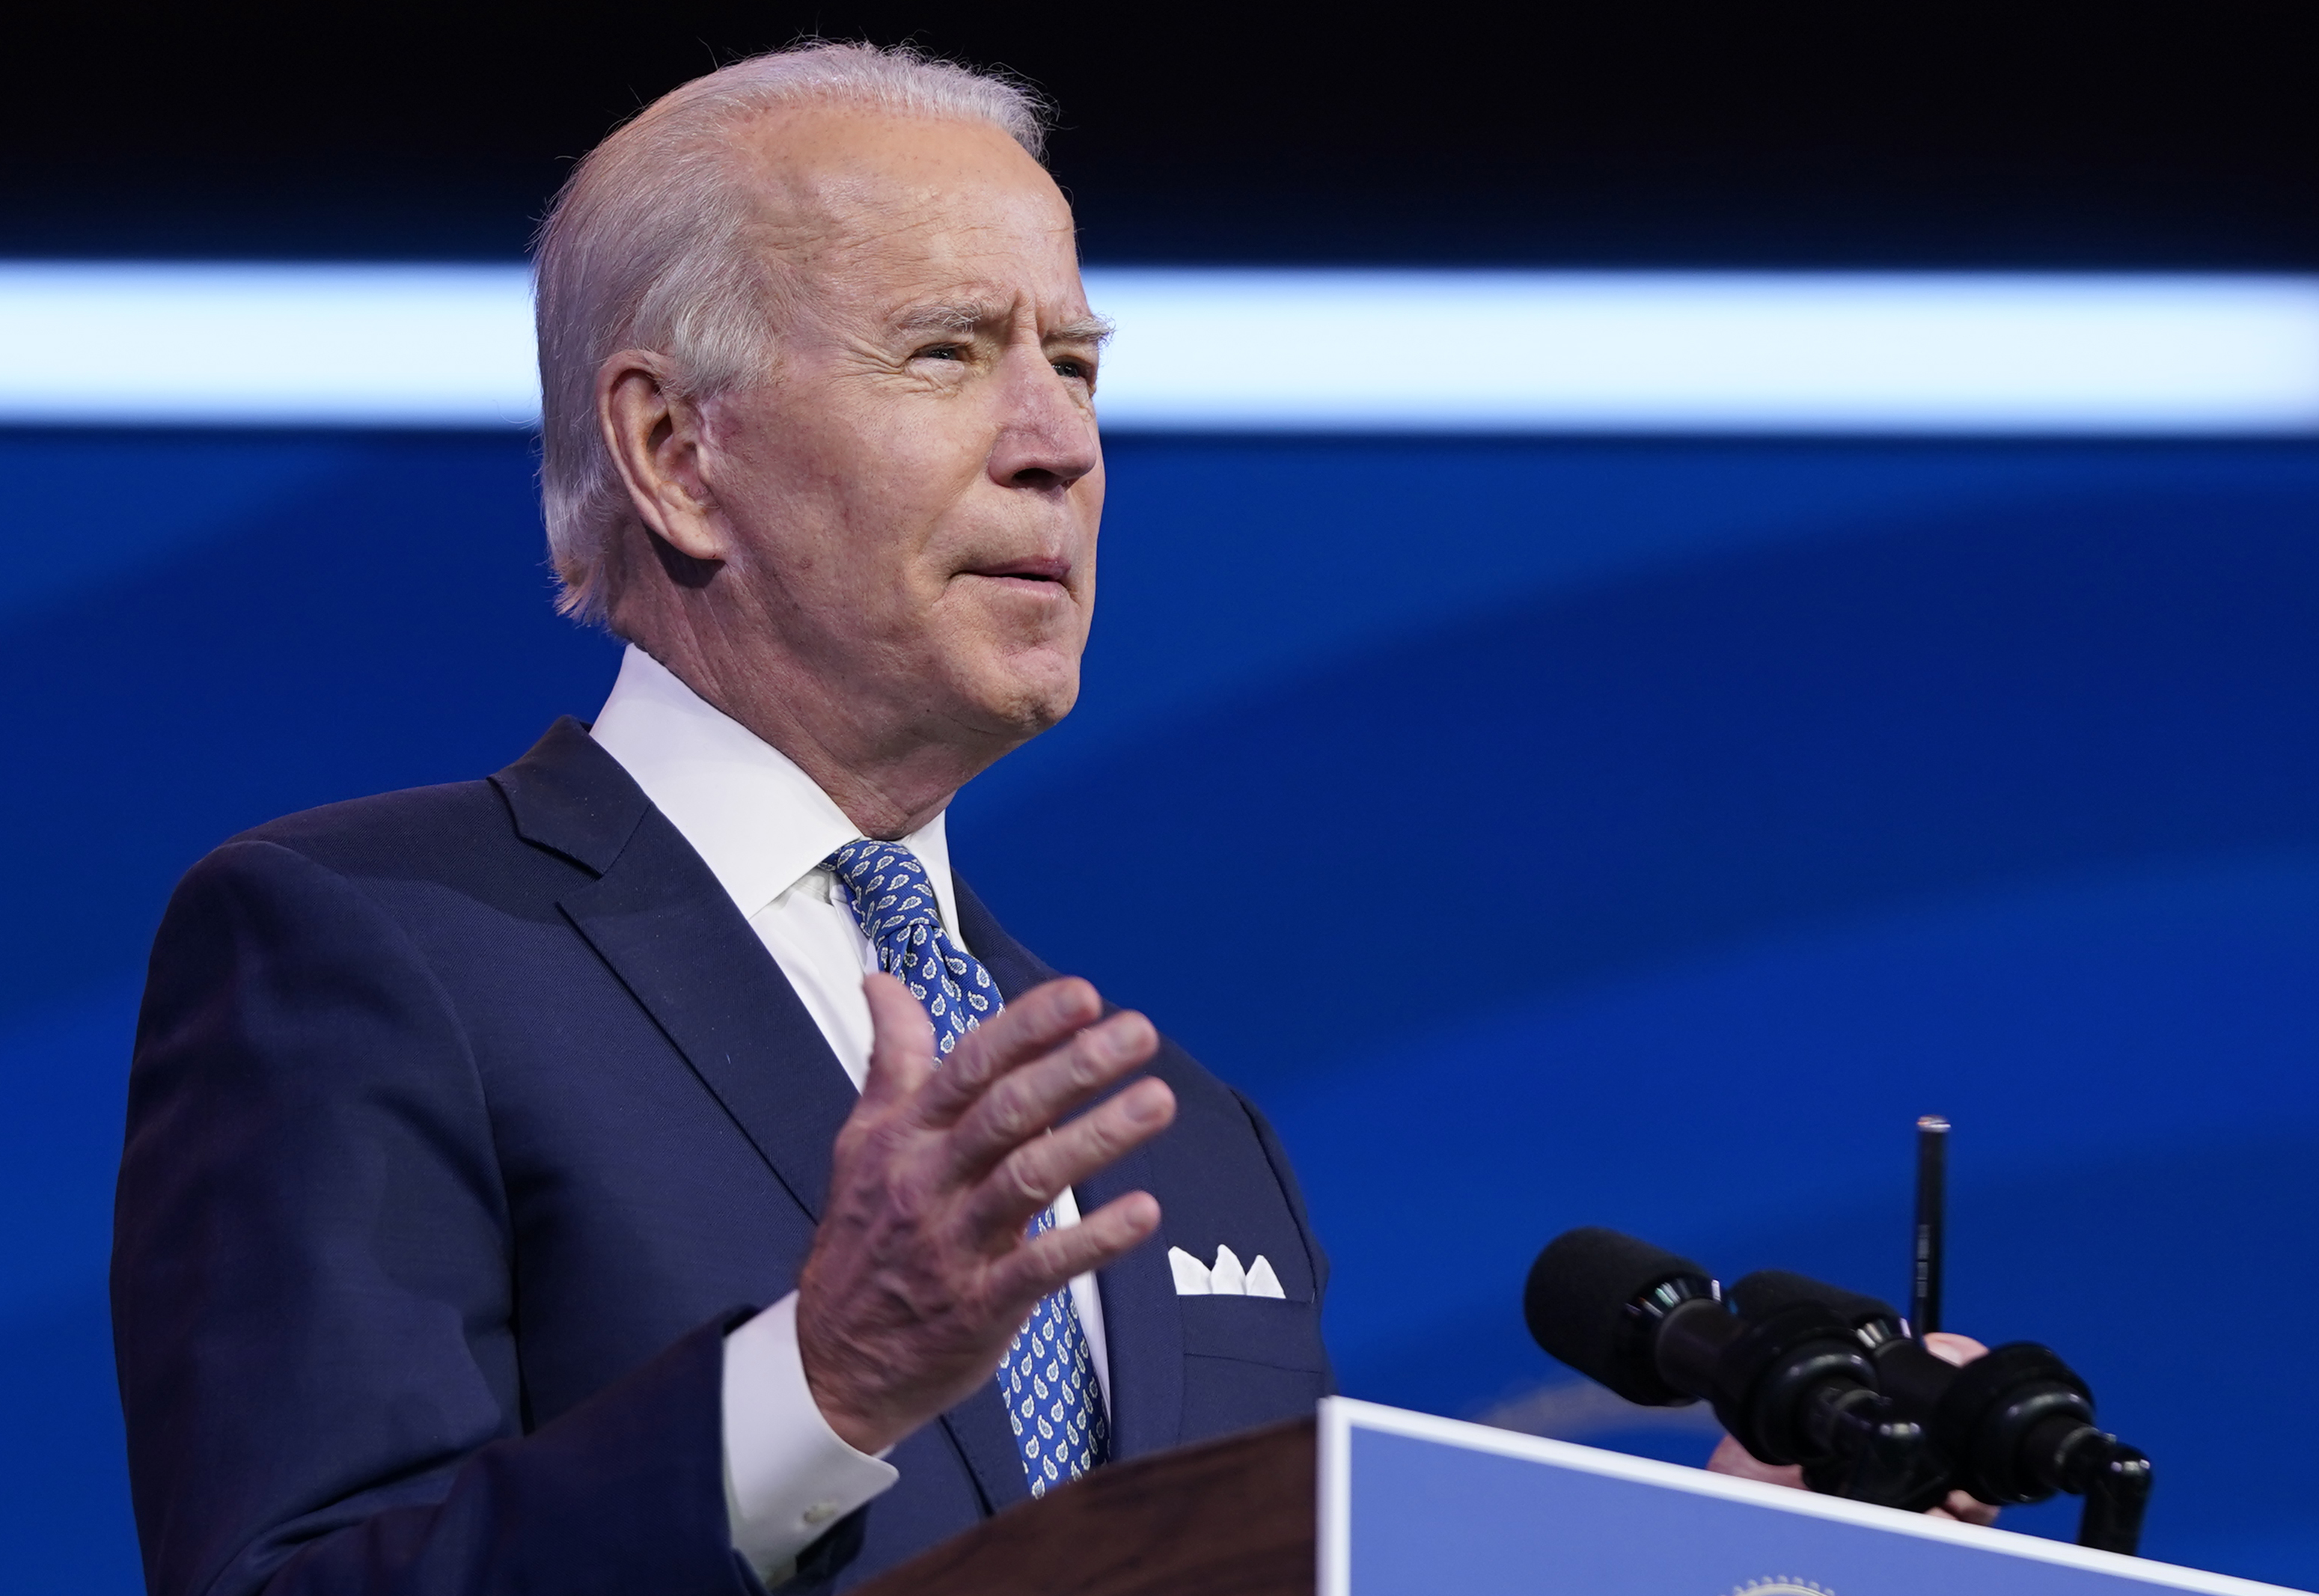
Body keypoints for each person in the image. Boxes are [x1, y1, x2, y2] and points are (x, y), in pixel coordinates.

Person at [112, 43, 1327, 1596]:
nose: (1060, 445)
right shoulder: (368, 949)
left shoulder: (1193, 1138)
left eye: (1075, 366)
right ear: (677, 455)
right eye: (948, 353)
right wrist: (813, 1389)